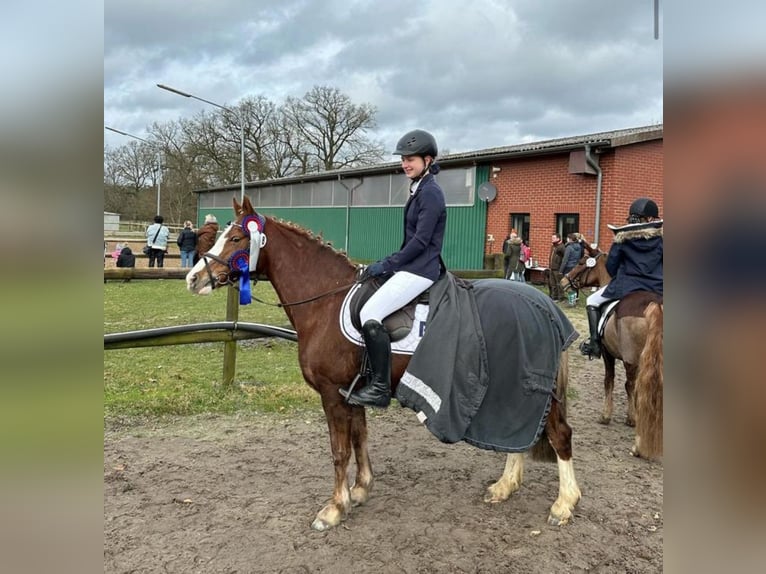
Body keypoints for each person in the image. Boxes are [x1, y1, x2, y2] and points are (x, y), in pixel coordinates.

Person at [341, 129, 446, 408]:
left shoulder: (431, 193)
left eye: (410, 159)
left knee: (370, 313)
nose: (405, 164)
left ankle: (379, 387)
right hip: (412, 266)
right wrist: (389, 264)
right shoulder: (419, 188)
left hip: (421, 269)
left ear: (427, 159)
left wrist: (388, 264)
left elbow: (421, 241)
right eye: (403, 159)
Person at [579, 197, 663, 359]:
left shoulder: (622, 238)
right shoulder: (662, 239)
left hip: (626, 287)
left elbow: (611, 267)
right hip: (659, 287)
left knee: (592, 302)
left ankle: (595, 343)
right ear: (651, 218)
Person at [548, 233, 566, 301]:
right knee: (552, 283)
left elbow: (565, 258)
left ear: (558, 239)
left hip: (558, 268)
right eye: (552, 238)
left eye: (554, 238)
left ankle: (560, 297)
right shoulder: (553, 246)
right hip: (552, 267)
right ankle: (554, 296)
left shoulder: (561, 247)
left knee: (559, 283)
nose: (552, 239)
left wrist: (561, 267)